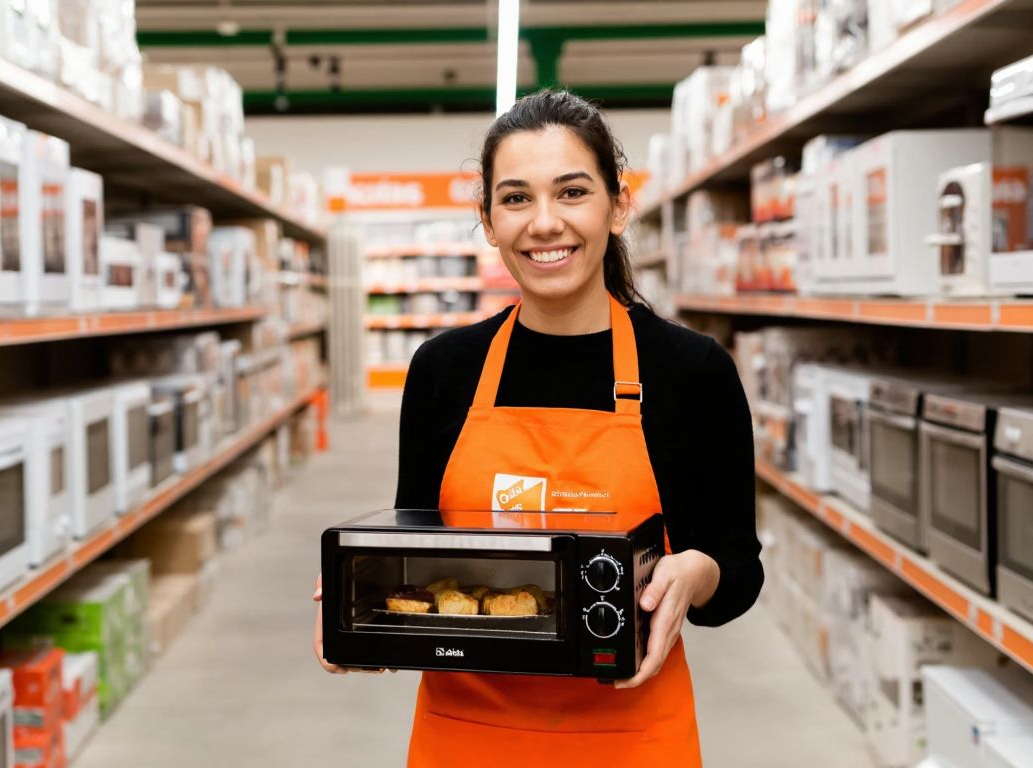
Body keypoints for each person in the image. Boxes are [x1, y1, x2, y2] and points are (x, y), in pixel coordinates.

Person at [314, 89, 762, 765]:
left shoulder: (691, 371)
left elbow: (739, 569)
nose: (544, 223)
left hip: (630, 736)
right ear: (488, 222)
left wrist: (697, 573)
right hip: (465, 735)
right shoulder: (444, 370)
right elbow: (413, 548)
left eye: (572, 192)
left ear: (618, 205)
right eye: (517, 198)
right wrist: (366, 610)